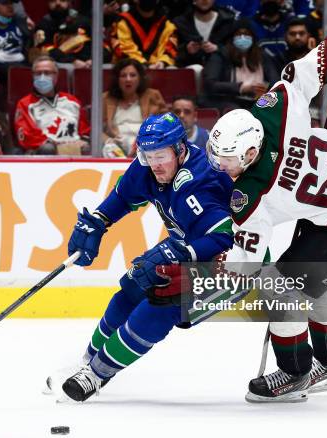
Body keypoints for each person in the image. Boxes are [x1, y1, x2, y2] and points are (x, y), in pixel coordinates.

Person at [202, 9, 327, 402]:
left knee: (281, 288)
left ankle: (294, 372)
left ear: (251, 151)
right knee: (313, 283)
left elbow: (248, 265)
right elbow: (311, 68)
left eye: (228, 160)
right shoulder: (275, 108)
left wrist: (220, 266)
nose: (221, 166)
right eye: (217, 156)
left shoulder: (250, 195)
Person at [52, 112, 235, 402]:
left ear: (179, 148)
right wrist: (100, 220)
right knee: (133, 287)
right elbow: (125, 196)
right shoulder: (147, 165)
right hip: (188, 244)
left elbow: (222, 238)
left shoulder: (200, 182)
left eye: (161, 155)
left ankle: (96, 374)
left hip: (231, 262)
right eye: (148, 155)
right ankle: (86, 361)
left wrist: (181, 254)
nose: (155, 164)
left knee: (161, 304)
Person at [13, 56, 90, 154]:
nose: (42, 77)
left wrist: (83, 141)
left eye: (47, 73)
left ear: (56, 76)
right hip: (43, 150)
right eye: (38, 73)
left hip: (74, 148)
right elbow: (26, 134)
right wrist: (56, 144)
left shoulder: (72, 101)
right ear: (32, 76)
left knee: (89, 148)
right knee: (48, 149)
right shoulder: (25, 103)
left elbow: (84, 130)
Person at [201, 18, 279, 110]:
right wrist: (241, 88)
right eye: (239, 34)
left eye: (247, 34)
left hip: (258, 100)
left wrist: (263, 91)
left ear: (253, 38)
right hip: (229, 101)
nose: (243, 37)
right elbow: (211, 84)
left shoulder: (263, 56)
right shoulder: (220, 55)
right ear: (232, 37)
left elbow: (276, 83)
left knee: (276, 103)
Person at [102, 59, 168, 156]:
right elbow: (97, 130)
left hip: (146, 145)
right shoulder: (105, 98)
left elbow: (165, 125)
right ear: (117, 79)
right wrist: (109, 140)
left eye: (132, 75)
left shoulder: (153, 96)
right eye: (123, 75)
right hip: (117, 147)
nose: (128, 79)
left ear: (140, 78)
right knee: (109, 148)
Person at [110, 0, 178, 68]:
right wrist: (145, 65)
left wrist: (162, 62)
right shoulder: (122, 21)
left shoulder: (167, 24)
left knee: (171, 68)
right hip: (128, 69)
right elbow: (124, 49)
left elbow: (170, 50)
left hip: (159, 68)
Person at [172, 0, 235, 68]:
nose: (204, 0)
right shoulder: (181, 23)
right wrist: (186, 50)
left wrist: (217, 48)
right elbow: (172, 52)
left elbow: (235, 51)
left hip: (220, 69)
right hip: (189, 68)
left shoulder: (227, 21)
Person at [32, 0, 94, 68]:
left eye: (62, 0)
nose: (58, 3)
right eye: (53, 1)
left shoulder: (84, 22)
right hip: (59, 64)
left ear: (69, 2)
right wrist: (73, 61)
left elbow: (103, 47)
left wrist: (93, 59)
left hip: (88, 64)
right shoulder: (43, 25)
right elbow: (45, 51)